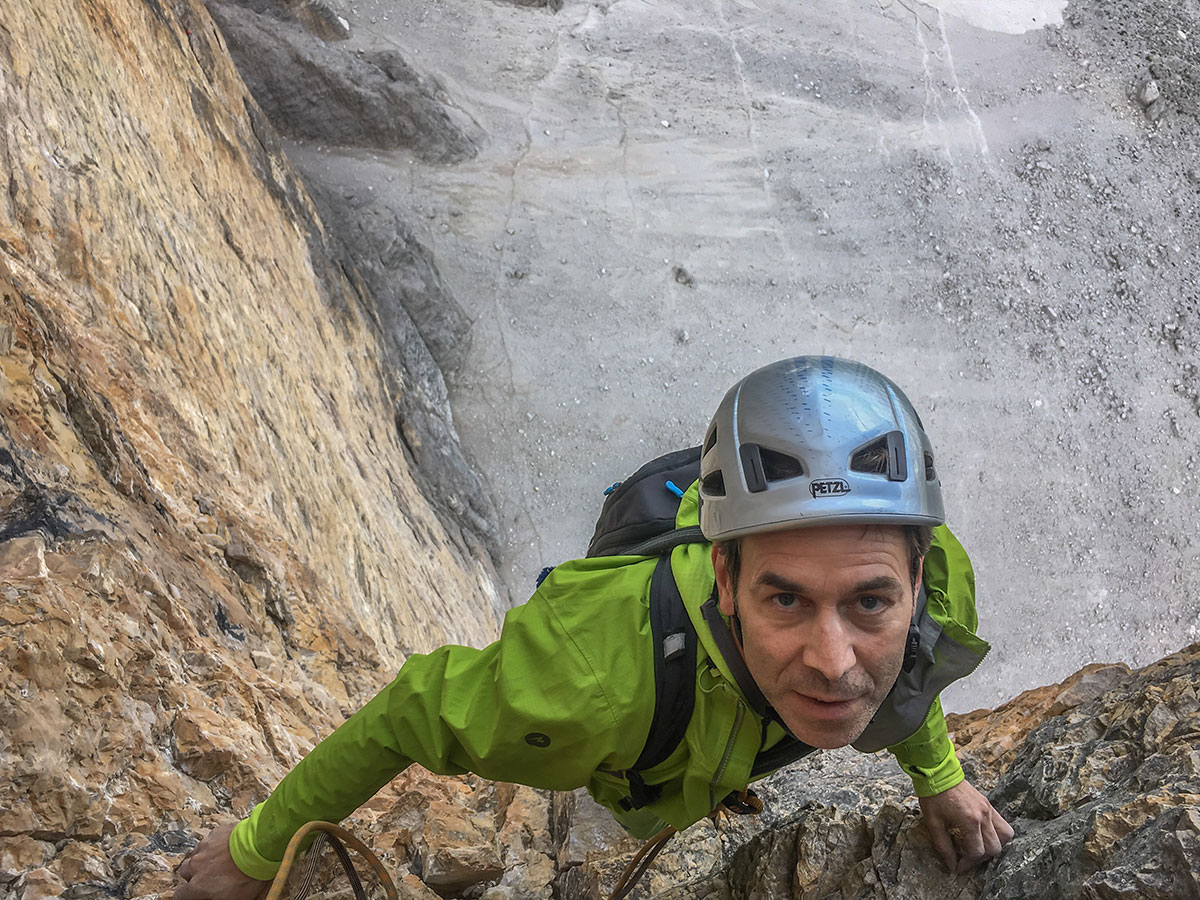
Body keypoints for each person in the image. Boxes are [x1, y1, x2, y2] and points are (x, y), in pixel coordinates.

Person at [175, 356, 1014, 899]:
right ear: (724, 577)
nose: (835, 663)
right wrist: (255, 852)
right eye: (785, 599)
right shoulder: (591, 682)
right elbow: (411, 708)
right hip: (641, 738)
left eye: (869, 603)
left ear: (916, 578)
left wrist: (938, 777)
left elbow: (909, 678)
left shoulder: (939, 589)